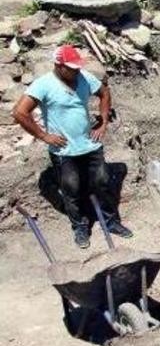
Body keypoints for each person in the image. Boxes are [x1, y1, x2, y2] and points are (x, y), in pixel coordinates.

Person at [11, 45, 133, 248]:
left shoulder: (84, 77)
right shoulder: (43, 85)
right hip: (64, 150)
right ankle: (80, 227)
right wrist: (43, 135)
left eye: (77, 67)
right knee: (71, 189)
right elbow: (19, 112)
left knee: (102, 181)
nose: (76, 71)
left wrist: (103, 120)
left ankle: (110, 222)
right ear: (58, 66)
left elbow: (104, 93)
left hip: (90, 144)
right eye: (71, 68)